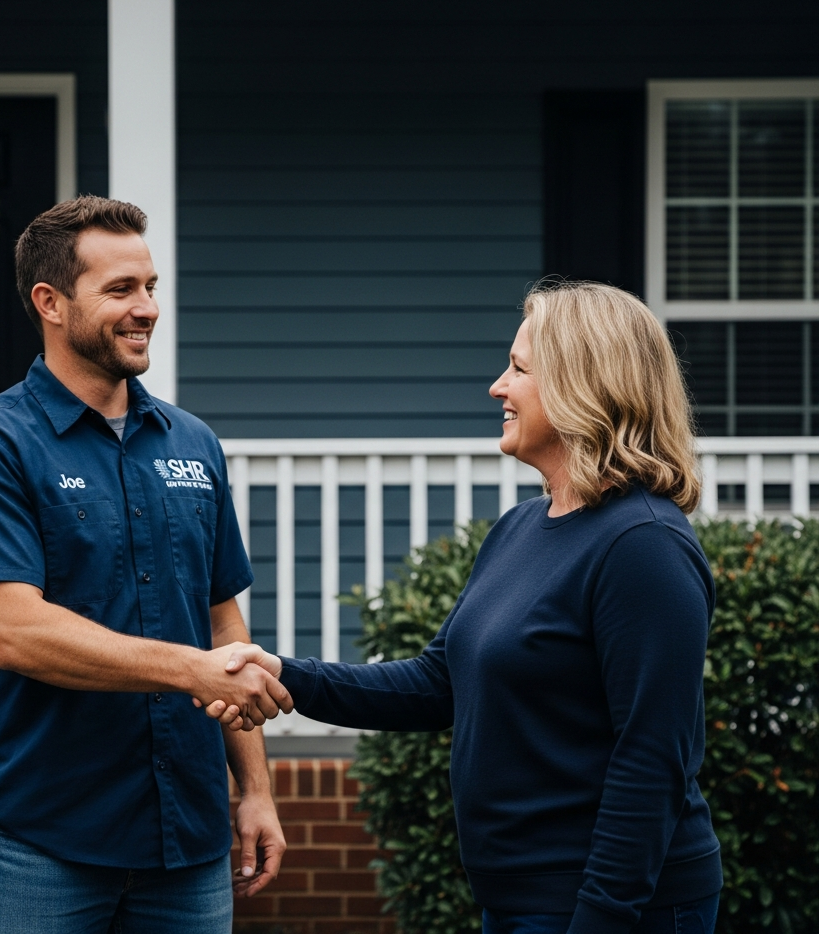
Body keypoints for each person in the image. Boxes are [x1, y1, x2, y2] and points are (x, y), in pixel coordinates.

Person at [215, 282, 723, 934]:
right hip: (518, 899)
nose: (497, 387)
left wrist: (601, 915)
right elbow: (438, 684)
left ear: (583, 385)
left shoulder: (643, 545)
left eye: (518, 368)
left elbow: (653, 757)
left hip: (612, 905)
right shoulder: (519, 528)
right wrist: (284, 675)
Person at [0, 195, 292, 934]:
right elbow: (17, 634)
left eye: (150, 286)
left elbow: (223, 624)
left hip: (186, 839)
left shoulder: (193, 443)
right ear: (50, 302)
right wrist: (188, 670)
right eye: (120, 289)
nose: (146, 308)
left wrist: (255, 788)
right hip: (39, 841)